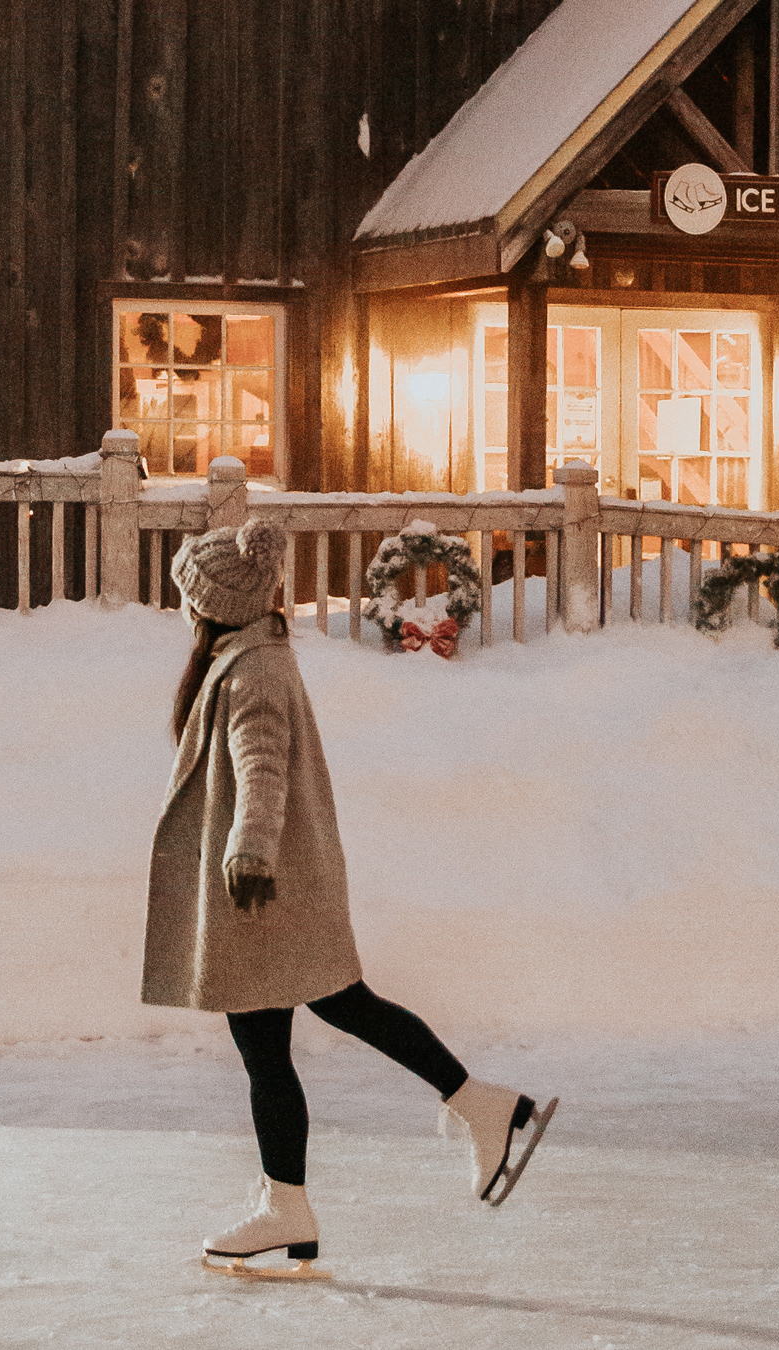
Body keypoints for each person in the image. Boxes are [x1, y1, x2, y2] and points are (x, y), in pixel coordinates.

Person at [144, 517, 557, 1279]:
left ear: (215, 608)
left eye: (190, 601)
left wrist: (249, 846)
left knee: (272, 1048)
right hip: (283, 885)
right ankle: (474, 1109)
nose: (186, 612)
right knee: (335, 1010)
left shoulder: (253, 671)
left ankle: (294, 1204)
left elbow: (260, 762)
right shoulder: (253, 655)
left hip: (265, 888)